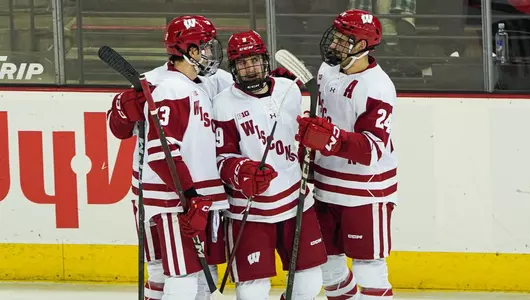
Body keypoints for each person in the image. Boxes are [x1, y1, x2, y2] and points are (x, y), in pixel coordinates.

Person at [107, 15, 228, 300]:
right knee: (179, 276)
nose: (213, 52)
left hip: (188, 194)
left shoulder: (208, 80)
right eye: (206, 46)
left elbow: (245, 88)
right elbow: (154, 151)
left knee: (185, 273)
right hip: (172, 197)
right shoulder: (166, 86)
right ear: (190, 50)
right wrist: (123, 109)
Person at [212, 30, 328, 300]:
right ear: (234, 68)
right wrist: (240, 172)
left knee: (309, 282)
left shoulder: (290, 91)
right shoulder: (223, 104)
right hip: (249, 209)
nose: (250, 69)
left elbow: (305, 138)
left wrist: (316, 137)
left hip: (295, 200)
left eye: (254, 61)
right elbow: (221, 157)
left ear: (265, 61)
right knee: (252, 292)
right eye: (242, 63)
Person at [296, 9, 398, 300]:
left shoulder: (377, 87)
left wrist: (331, 138)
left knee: (370, 272)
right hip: (326, 187)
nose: (335, 44)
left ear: (363, 46)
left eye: (345, 39)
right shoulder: (327, 70)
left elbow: (373, 148)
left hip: (365, 190)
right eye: (336, 36)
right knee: (328, 266)